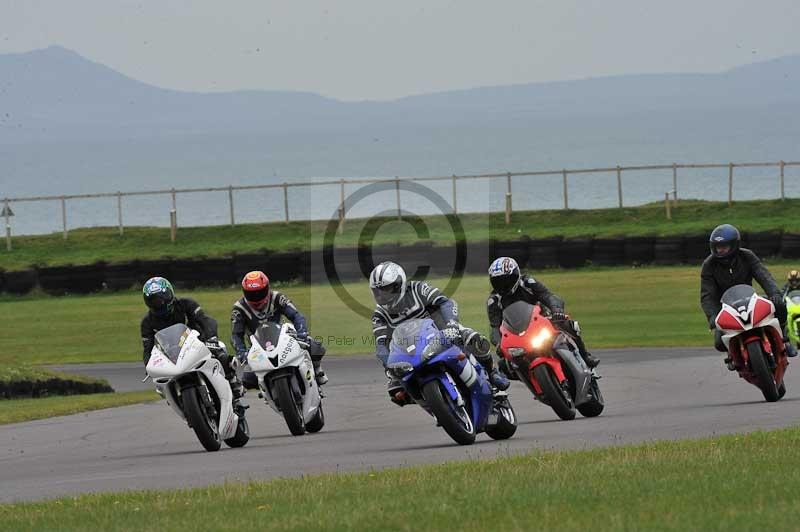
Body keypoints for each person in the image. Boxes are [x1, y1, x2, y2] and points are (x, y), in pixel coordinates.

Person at [369, 261, 510, 406]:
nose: (382, 296)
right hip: (412, 348)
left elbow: (446, 303)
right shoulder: (379, 315)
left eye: (386, 290)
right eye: (377, 291)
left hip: (440, 330)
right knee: (395, 389)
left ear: (399, 285)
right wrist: (389, 367)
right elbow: (381, 345)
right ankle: (432, 403)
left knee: (475, 340)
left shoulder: (418, 289)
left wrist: (452, 324)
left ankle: (492, 373)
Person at [700, 224, 797, 369]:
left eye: (724, 246)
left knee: (779, 304)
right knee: (719, 343)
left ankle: (785, 339)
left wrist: (774, 294)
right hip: (726, 307)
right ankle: (733, 355)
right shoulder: (708, 265)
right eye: (717, 247)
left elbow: (764, 276)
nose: (720, 250)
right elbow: (707, 295)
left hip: (750, 299)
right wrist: (712, 316)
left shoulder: (747, 256)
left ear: (734, 245)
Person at [140, 276, 245, 408]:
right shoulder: (147, 322)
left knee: (221, 352)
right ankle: (179, 402)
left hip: (197, 344)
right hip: (172, 356)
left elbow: (206, 321)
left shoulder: (186, 304)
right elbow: (147, 348)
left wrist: (211, 338)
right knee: (161, 384)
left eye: (160, 299)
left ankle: (233, 384)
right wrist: (148, 366)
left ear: (169, 295)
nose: (158, 304)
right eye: (153, 301)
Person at [486, 257, 599, 373]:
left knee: (569, 324)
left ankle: (585, 356)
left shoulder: (528, 283)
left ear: (516, 275)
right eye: (498, 282)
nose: (503, 285)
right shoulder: (494, 301)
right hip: (517, 334)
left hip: (543, 320)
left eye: (507, 280)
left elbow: (549, 296)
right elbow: (495, 327)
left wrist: (556, 310)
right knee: (504, 366)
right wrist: (499, 344)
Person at [231, 271, 327, 388]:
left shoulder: (277, 297)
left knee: (314, 346)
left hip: (283, 338)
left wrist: (302, 332)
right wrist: (242, 353)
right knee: (248, 380)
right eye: (252, 294)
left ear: (267, 288)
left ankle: (317, 370)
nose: (256, 297)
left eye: (260, 292)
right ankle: (266, 390)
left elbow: (296, 315)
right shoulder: (239, 308)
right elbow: (236, 335)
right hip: (258, 348)